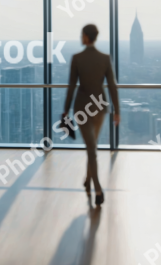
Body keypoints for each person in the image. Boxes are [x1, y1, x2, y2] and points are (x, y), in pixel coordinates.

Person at [62, 24, 119, 206]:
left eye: (82, 35)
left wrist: (65, 110)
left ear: (86, 37)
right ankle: (88, 181)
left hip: (82, 108)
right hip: (100, 108)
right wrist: (117, 110)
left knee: (91, 149)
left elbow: (72, 86)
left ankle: (97, 189)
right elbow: (112, 86)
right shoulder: (105, 58)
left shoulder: (76, 58)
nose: (81, 37)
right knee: (92, 147)